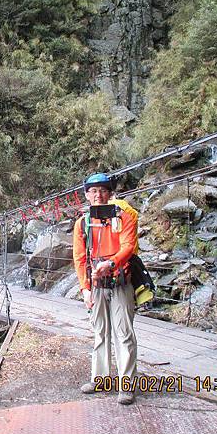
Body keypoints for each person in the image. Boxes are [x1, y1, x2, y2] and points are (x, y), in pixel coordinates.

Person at [73, 173, 138, 405]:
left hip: (120, 281)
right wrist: (85, 289)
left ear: (110, 193)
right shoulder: (82, 224)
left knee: (123, 332)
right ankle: (99, 379)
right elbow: (80, 259)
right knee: (100, 332)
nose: (98, 195)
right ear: (87, 195)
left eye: (102, 190)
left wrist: (110, 263)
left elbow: (128, 246)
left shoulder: (125, 218)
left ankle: (126, 386)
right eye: (93, 191)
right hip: (96, 285)